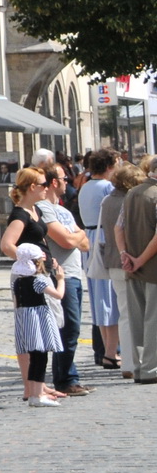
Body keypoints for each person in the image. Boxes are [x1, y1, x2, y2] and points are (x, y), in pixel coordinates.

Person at [34, 166, 92, 395]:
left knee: (71, 328)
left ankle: (67, 376)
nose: (67, 181)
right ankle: (66, 378)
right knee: (69, 327)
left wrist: (75, 237)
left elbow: (84, 241)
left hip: (75, 273)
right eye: (63, 178)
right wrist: (76, 237)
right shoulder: (44, 209)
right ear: (53, 183)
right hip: (61, 275)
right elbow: (67, 241)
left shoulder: (63, 210)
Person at [9, 243, 67, 408]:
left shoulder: (17, 282)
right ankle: (37, 394)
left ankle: (35, 393)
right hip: (38, 320)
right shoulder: (38, 280)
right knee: (40, 357)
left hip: (25, 320)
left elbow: (16, 302)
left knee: (34, 357)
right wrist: (61, 279)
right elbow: (58, 295)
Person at [115, 162, 157, 384]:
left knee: (138, 319)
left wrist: (125, 254)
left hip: (133, 266)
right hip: (151, 266)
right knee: (153, 321)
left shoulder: (132, 193)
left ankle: (141, 368)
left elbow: (118, 227)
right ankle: (152, 369)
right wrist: (139, 259)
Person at [76, 152, 119, 370]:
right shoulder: (106, 188)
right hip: (104, 239)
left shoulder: (85, 186)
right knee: (110, 297)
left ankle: (107, 350)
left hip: (90, 239)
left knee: (99, 298)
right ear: (110, 166)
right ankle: (111, 352)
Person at [100, 162, 141, 378]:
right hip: (132, 260)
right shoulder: (131, 200)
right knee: (140, 314)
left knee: (124, 313)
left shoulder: (107, 200)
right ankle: (138, 361)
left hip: (113, 261)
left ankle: (128, 364)